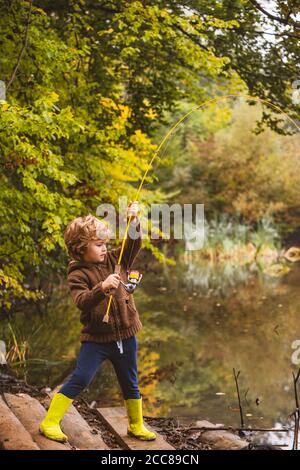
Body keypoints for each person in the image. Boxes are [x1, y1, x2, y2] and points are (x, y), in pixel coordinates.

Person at [39, 201, 156, 442]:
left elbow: (133, 244)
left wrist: (133, 221)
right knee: (81, 377)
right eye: (99, 245)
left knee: (130, 380)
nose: (105, 249)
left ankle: (136, 425)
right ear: (81, 249)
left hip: (126, 334)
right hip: (97, 339)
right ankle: (49, 421)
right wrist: (102, 288)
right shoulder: (77, 273)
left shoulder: (116, 259)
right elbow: (82, 300)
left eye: (105, 244)